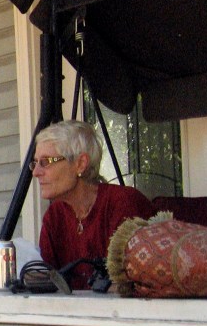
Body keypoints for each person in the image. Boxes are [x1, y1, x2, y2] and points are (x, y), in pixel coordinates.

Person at [33, 120, 154, 289]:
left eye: (45, 162)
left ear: (80, 164)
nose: (36, 172)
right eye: (35, 163)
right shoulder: (55, 215)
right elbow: (49, 282)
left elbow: (132, 286)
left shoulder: (123, 204)